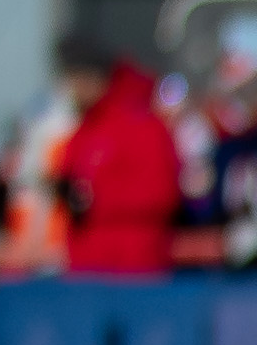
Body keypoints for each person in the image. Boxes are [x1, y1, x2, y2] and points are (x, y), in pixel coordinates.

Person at [53, 52, 186, 279]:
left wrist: (96, 199)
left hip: (133, 266)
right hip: (89, 265)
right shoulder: (86, 128)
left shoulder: (144, 126)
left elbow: (162, 193)